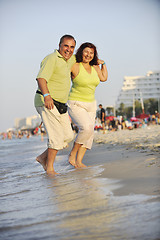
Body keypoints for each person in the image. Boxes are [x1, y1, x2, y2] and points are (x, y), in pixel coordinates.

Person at [34, 34, 76, 175]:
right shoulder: (52, 58)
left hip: (61, 105)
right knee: (56, 138)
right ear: (59, 46)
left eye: (71, 47)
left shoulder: (70, 60)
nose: (68, 50)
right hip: (47, 101)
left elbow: (84, 57)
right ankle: (50, 168)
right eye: (66, 46)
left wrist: (97, 60)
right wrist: (47, 96)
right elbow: (41, 78)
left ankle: (42, 157)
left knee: (68, 136)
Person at [67, 42, 108, 168]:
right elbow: (61, 74)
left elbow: (104, 78)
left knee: (89, 134)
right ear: (81, 52)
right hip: (75, 103)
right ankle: (72, 155)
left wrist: (103, 64)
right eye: (86, 52)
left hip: (91, 104)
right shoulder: (75, 65)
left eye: (91, 53)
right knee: (86, 128)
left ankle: (79, 161)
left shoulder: (95, 67)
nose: (88, 55)